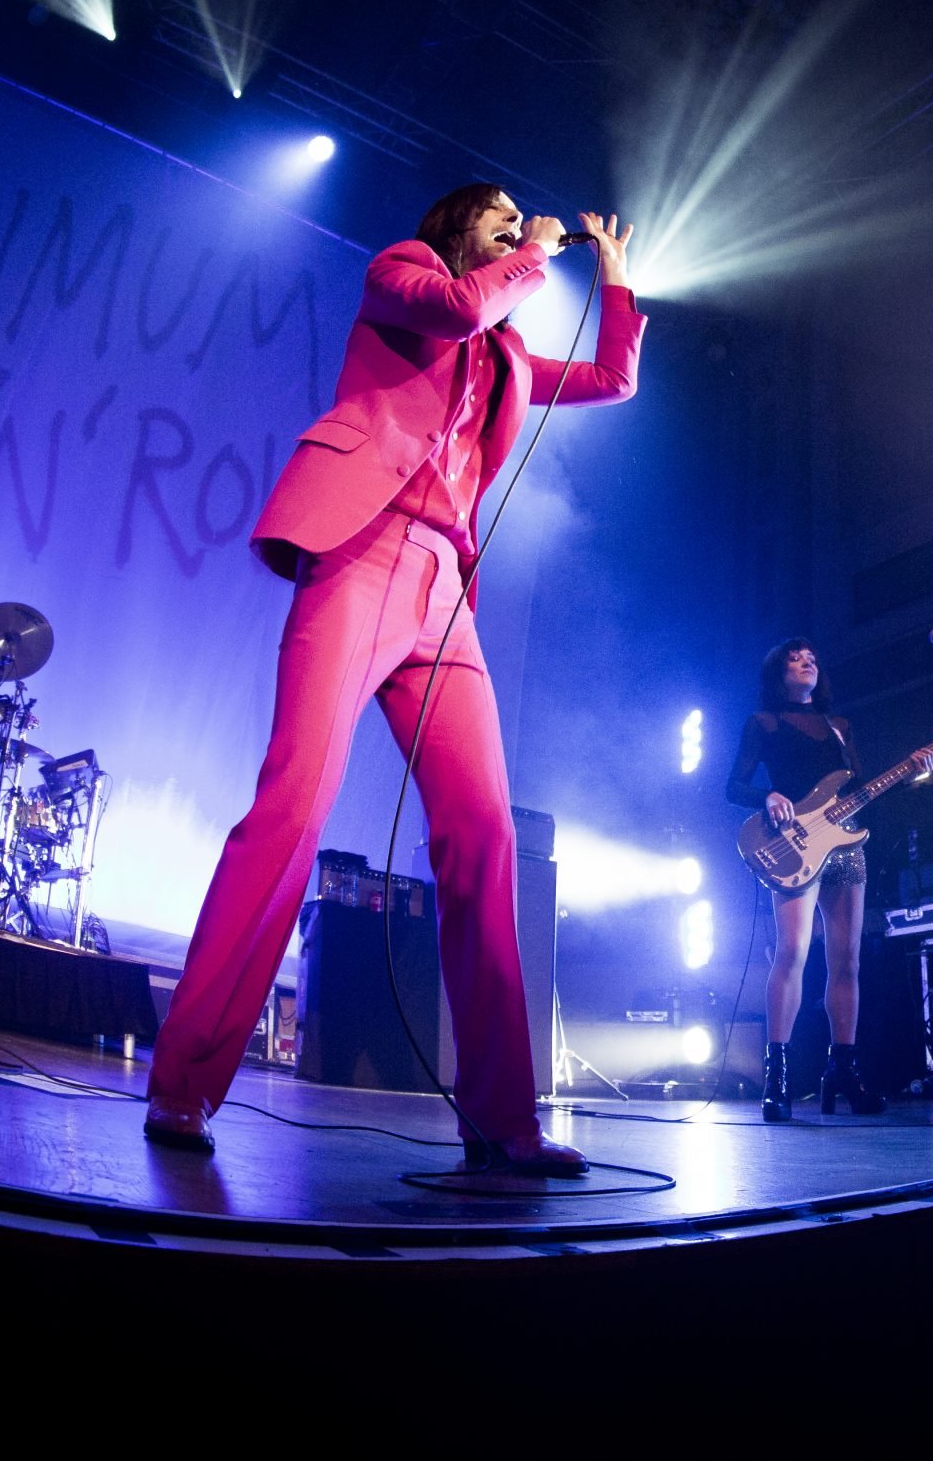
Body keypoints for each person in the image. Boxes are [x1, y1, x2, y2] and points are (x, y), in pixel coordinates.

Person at [143, 184, 642, 1173]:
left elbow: (611, 380)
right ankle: (185, 1084)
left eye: (521, 214)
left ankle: (504, 1122)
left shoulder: (505, 349)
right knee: (293, 806)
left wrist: (616, 278)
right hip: (362, 549)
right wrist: (535, 253)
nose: (516, 218)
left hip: (444, 592)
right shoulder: (402, 273)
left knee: (483, 834)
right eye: (497, 212)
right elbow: (459, 307)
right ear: (457, 227)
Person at [724, 638, 932, 1120]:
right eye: (796, 659)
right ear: (779, 673)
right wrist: (768, 796)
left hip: (845, 848)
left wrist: (911, 773)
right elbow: (733, 785)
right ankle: (777, 1076)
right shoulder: (764, 723)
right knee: (792, 953)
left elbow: (858, 789)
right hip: (793, 845)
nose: (807, 663)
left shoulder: (840, 727)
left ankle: (842, 1070)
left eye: (813, 658)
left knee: (847, 962)